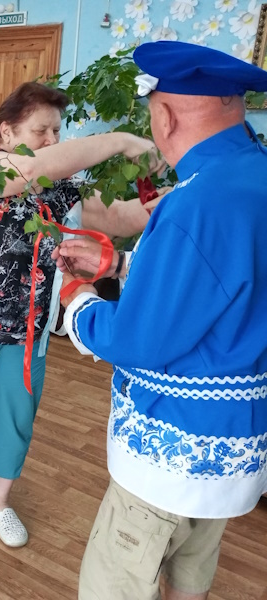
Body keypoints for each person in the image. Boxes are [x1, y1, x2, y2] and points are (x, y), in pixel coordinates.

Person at [0, 81, 161, 569]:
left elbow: (120, 217)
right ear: (8, 132)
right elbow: (31, 168)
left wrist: (167, 205)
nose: (52, 140)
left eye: (56, 131)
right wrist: (122, 140)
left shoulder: (62, 188)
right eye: (41, 130)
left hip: (27, 330)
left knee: (17, 420)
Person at [54, 41, 267, 600]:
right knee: (190, 581)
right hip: (234, 446)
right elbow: (224, 282)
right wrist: (122, 264)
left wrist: (79, 300)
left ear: (165, 116)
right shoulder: (253, 174)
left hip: (171, 453)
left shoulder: (195, 202)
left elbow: (138, 340)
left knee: (112, 586)